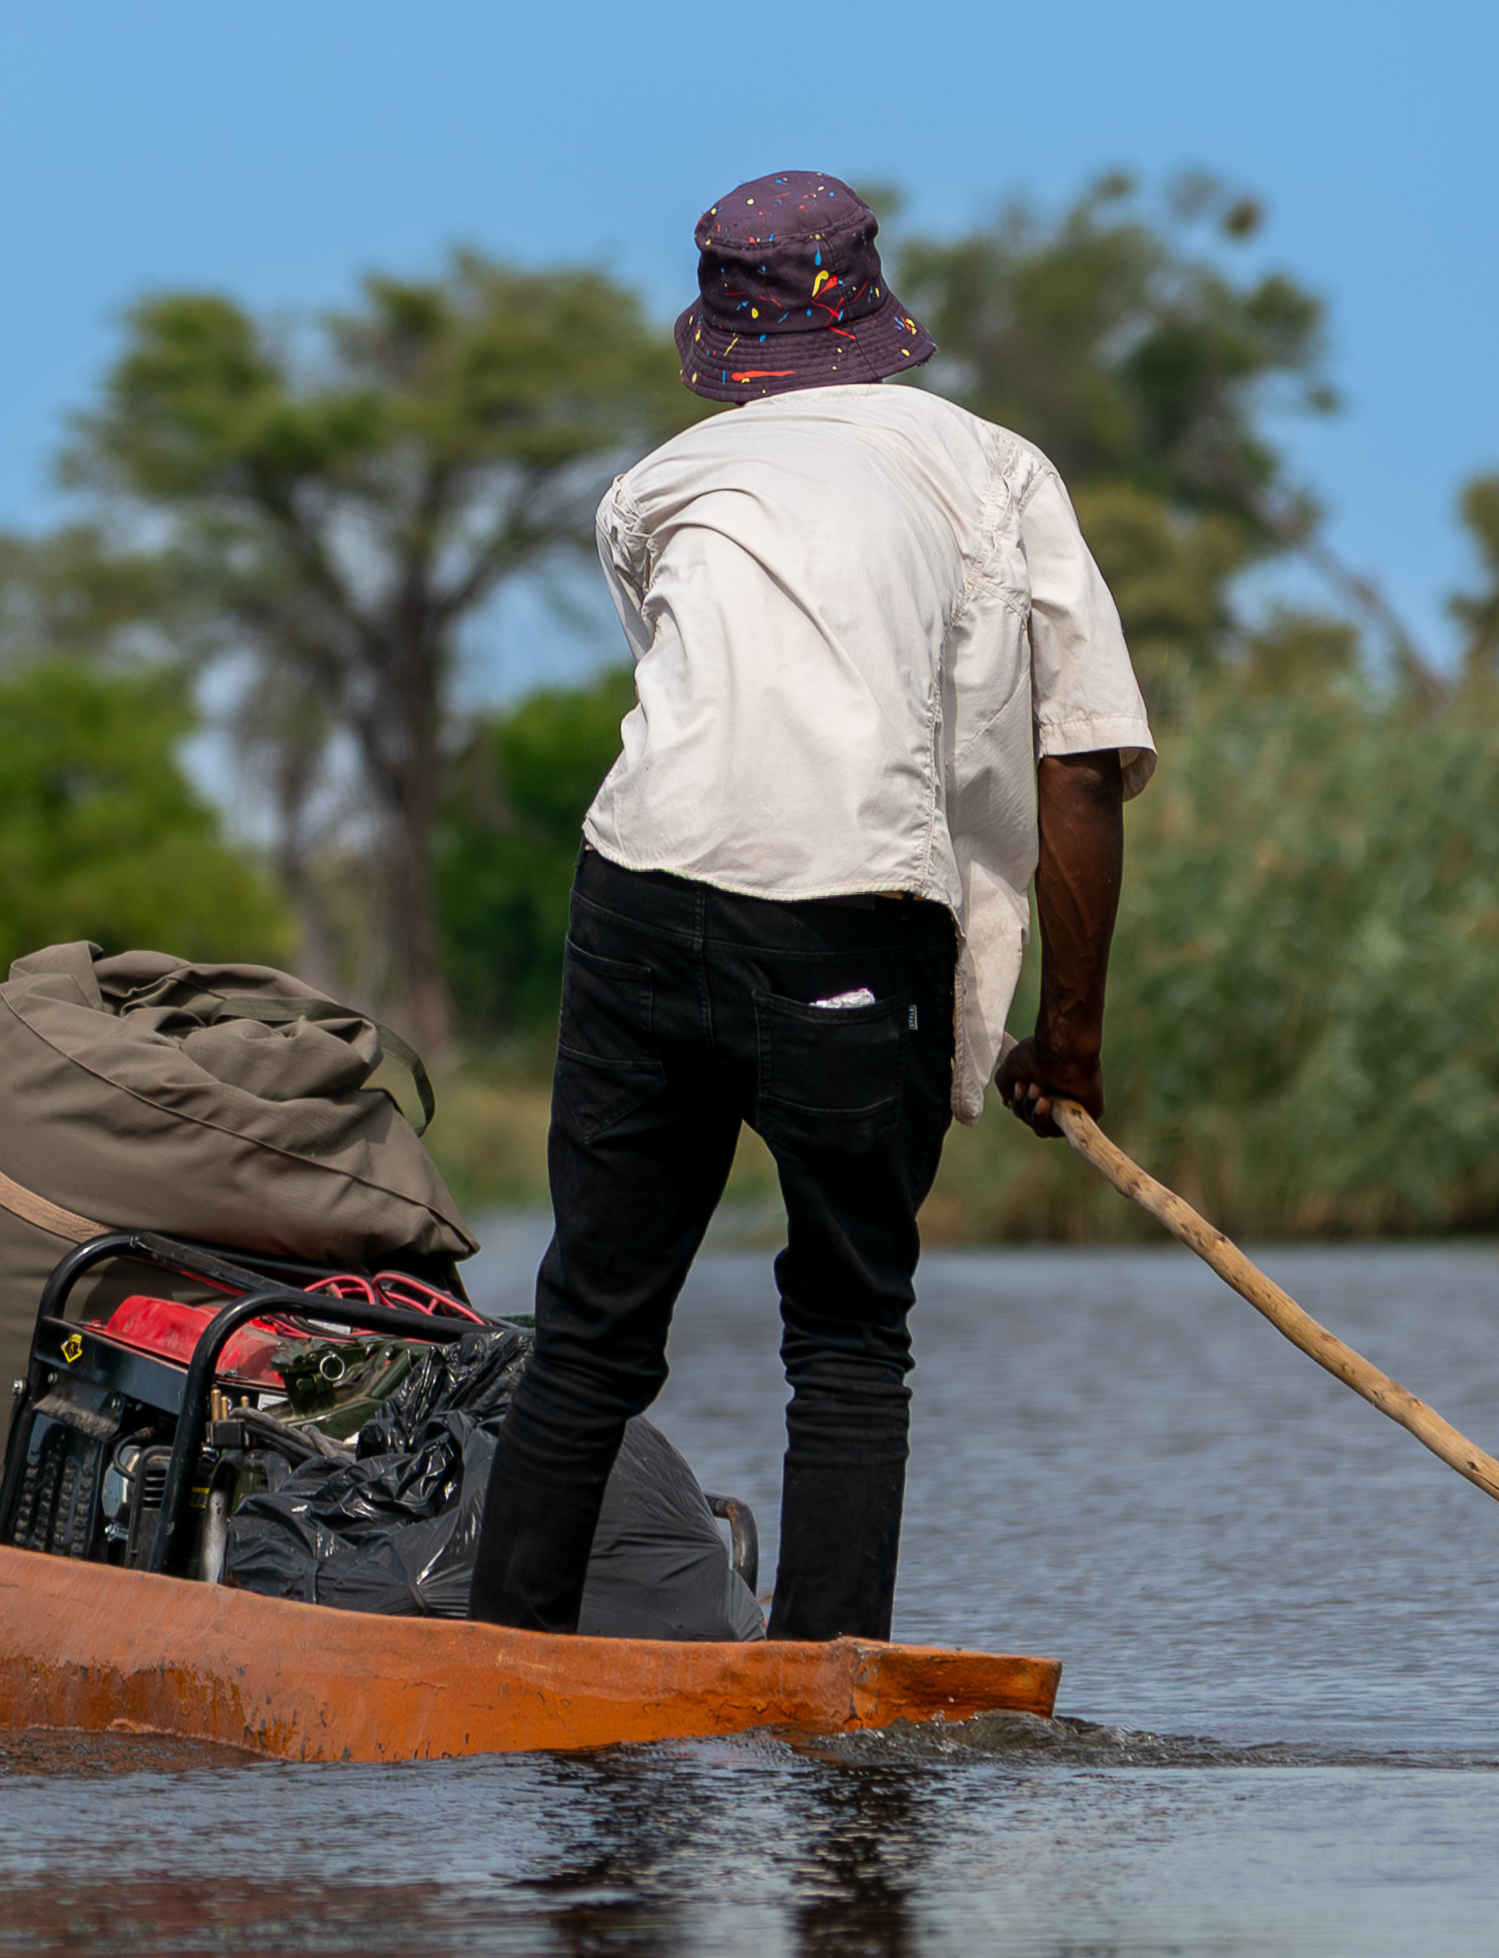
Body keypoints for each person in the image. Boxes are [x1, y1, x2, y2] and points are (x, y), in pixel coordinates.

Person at [467, 172, 1156, 1642]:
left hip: (638, 893)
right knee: (847, 1337)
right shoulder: (994, 472)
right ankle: (829, 1719)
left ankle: (500, 1675)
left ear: (720, 333)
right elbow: (1084, 768)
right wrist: (1071, 1043)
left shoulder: (655, 488)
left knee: (589, 1329)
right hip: (854, 921)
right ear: (874, 306)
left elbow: (713, 722)